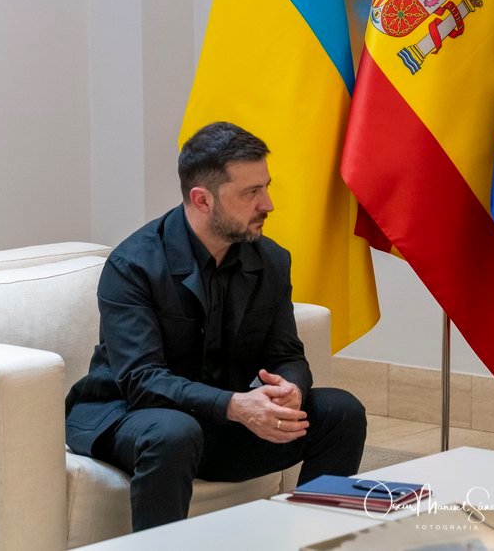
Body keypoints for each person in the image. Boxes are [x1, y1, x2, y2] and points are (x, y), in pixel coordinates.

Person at [66, 121, 366, 530]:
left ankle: (314, 539)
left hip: (222, 421)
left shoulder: (271, 260)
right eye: (250, 193)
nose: (268, 204)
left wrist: (291, 389)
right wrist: (235, 405)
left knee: (341, 411)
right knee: (174, 431)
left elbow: (287, 354)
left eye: (266, 187)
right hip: (130, 414)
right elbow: (141, 379)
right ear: (202, 199)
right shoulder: (133, 265)